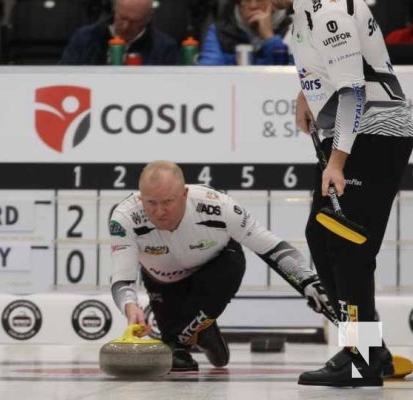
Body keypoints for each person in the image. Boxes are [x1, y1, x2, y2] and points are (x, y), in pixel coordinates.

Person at [270, 0, 413, 387]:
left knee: (347, 246)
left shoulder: (328, 13)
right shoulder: (302, 13)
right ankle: (372, 351)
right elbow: (331, 71)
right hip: (357, 136)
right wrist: (307, 94)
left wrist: (336, 162)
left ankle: (361, 358)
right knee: (321, 236)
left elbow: (353, 93)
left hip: (376, 134)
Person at [109, 160, 333, 371]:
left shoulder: (218, 205)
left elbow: (270, 247)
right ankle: (201, 330)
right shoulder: (125, 217)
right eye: (151, 203)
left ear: (185, 193)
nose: (159, 212)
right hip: (163, 280)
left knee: (228, 267)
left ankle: (366, 355)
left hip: (216, 269)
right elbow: (122, 278)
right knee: (174, 356)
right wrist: (130, 306)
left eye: (167, 201)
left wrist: (307, 281)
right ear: (141, 199)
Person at [58, 0, 179, 65]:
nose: (125, 27)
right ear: (114, 10)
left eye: (134, 21)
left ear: (149, 17)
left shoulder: (164, 47)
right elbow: (63, 76)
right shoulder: (85, 37)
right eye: (121, 18)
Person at [198, 0, 293, 65]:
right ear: (239, 4)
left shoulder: (293, 27)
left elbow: (294, 75)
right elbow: (208, 73)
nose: (253, 6)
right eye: (247, 0)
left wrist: (270, 38)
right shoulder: (220, 30)